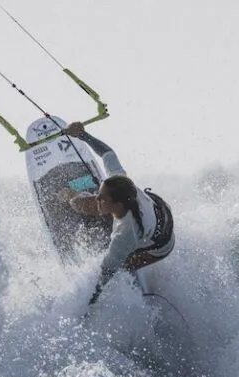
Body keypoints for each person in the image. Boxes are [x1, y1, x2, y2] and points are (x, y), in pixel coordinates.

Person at [56, 122, 174, 305]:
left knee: (123, 267)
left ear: (118, 204)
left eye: (102, 198)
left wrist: (90, 302)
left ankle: (139, 295)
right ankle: (72, 198)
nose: (97, 198)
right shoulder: (120, 180)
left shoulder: (125, 235)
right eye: (99, 193)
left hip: (159, 247)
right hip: (155, 212)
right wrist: (83, 135)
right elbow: (107, 153)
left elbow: (106, 271)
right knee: (88, 205)